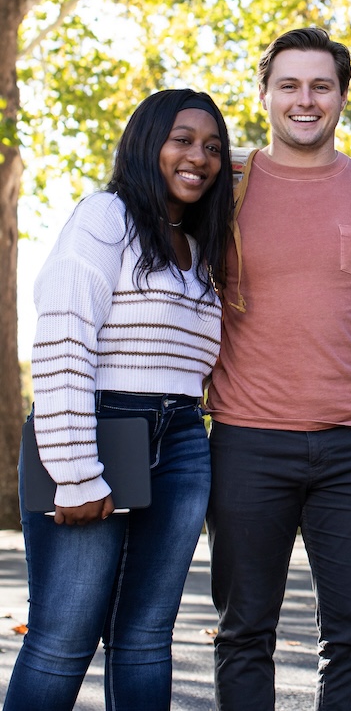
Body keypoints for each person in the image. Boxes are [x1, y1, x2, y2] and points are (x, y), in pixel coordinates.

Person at [6, 89, 233, 711]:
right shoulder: (107, 216)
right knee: (62, 637)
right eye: (182, 140)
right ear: (145, 142)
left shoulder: (200, 244)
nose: (200, 157)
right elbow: (63, 337)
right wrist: (76, 473)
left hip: (184, 437)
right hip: (100, 426)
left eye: (213, 147)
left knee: (145, 637)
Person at [205, 26, 351, 711]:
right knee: (243, 634)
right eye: (288, 84)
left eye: (321, 85)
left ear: (342, 96)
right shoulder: (221, 188)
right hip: (246, 441)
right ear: (263, 94)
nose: (305, 99)